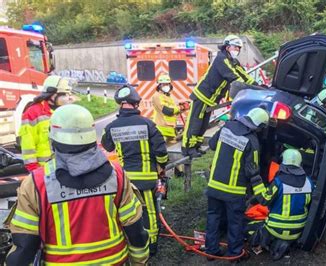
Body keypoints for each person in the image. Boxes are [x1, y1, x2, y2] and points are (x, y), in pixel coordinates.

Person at [6, 104, 149, 265]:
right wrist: (140, 262)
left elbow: (25, 245)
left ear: (52, 138)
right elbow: (135, 229)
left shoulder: (36, 183)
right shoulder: (117, 175)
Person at [101, 85, 168, 256]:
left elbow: (107, 146)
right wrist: (161, 167)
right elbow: (160, 150)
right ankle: (151, 246)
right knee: (150, 212)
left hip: (124, 182)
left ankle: (129, 243)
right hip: (146, 179)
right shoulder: (148, 124)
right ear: (136, 104)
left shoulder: (111, 127)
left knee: (126, 212)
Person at [205, 107, 269, 259]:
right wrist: (262, 195)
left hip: (214, 186)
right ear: (259, 126)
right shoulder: (252, 141)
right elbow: (252, 171)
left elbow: (213, 144)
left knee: (213, 218)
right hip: (234, 192)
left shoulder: (227, 127)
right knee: (235, 222)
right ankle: (235, 254)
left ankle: (210, 251)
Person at [182, 35, 258, 158]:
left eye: (239, 48)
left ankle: (196, 146)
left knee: (203, 124)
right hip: (202, 95)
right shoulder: (221, 59)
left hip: (211, 99)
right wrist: (246, 86)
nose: (237, 50)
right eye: (235, 47)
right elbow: (233, 76)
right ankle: (187, 148)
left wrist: (257, 85)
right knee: (195, 123)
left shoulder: (233, 61)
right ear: (227, 47)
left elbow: (243, 74)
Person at [249, 149, 314, 260]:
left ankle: (267, 242)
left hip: (276, 229)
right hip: (298, 231)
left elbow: (264, 200)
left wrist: (255, 179)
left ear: (283, 163)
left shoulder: (278, 182)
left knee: (250, 226)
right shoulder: (309, 182)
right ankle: (283, 243)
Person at [20, 75, 73, 171]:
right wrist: (34, 171)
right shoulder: (33, 113)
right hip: (44, 170)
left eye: (69, 94)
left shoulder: (67, 111)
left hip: (66, 167)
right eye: (65, 94)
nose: (68, 97)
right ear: (52, 95)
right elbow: (28, 145)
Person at [152, 73, 189, 144]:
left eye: (167, 84)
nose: (165, 86)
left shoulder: (169, 97)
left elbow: (174, 111)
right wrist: (181, 107)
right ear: (159, 86)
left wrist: (183, 108)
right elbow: (167, 111)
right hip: (161, 130)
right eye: (163, 84)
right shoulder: (157, 96)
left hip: (170, 130)